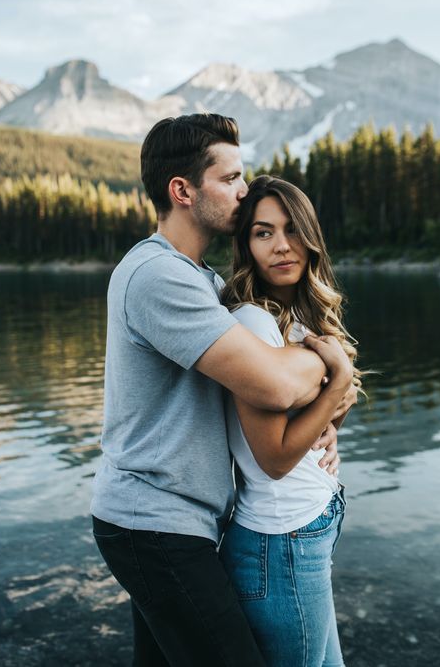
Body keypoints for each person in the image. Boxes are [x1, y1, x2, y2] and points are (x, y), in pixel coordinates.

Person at [90, 114, 356, 667]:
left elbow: (287, 377)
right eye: (230, 178)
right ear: (182, 191)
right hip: (154, 523)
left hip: (179, 518)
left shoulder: (203, 281)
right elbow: (275, 384)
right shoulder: (156, 277)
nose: (243, 190)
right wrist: (331, 371)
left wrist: (330, 393)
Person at [219, 174, 362, 667]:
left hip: (304, 531)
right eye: (263, 233)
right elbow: (274, 458)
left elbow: (309, 426)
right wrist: (339, 379)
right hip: (279, 542)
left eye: (291, 229)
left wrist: (330, 430)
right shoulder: (255, 321)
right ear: (247, 245)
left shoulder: (298, 314)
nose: (281, 246)